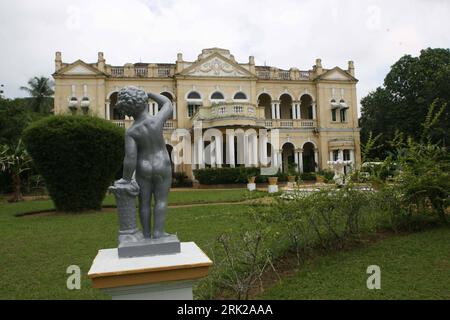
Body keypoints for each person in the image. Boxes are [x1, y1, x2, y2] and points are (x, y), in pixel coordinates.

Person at [114, 86, 173, 239]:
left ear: (127, 110)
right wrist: (149, 93)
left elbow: (130, 158)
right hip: (162, 164)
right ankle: (159, 233)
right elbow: (167, 103)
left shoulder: (131, 131)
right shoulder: (156, 120)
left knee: (144, 202)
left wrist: (126, 178)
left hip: (143, 166)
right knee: (161, 200)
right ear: (144, 102)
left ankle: (146, 234)